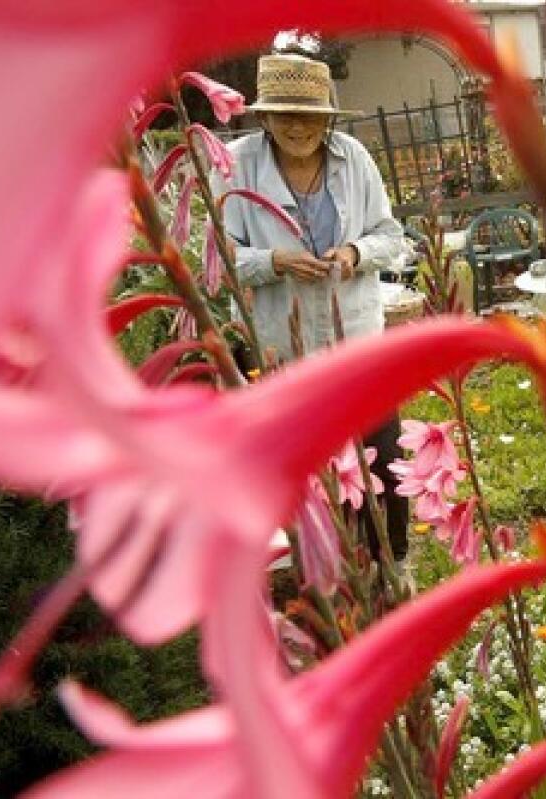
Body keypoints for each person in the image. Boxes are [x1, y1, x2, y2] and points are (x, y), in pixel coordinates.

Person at [221, 53, 412, 587]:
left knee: (380, 453)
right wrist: (273, 262)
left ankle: (391, 566)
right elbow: (214, 256)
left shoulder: (354, 159)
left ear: (329, 116)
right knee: (301, 468)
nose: (298, 127)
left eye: (309, 114)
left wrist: (353, 252)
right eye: (285, 115)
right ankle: (321, 575)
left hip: (355, 339)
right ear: (263, 117)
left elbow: (391, 237)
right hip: (278, 344)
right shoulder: (236, 165)